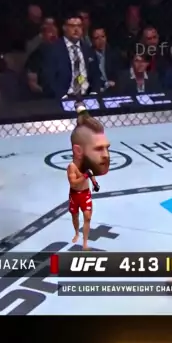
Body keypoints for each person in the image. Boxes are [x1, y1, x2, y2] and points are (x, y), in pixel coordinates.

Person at [67, 103, 110, 248]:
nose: (106, 155)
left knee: (87, 217)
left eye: (107, 148)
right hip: (75, 194)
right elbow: (74, 183)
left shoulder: (88, 168)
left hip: (85, 193)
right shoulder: (72, 167)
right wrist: (85, 176)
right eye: (98, 149)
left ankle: (85, 242)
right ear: (78, 151)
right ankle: (76, 233)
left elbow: (90, 175)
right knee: (75, 216)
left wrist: (95, 183)